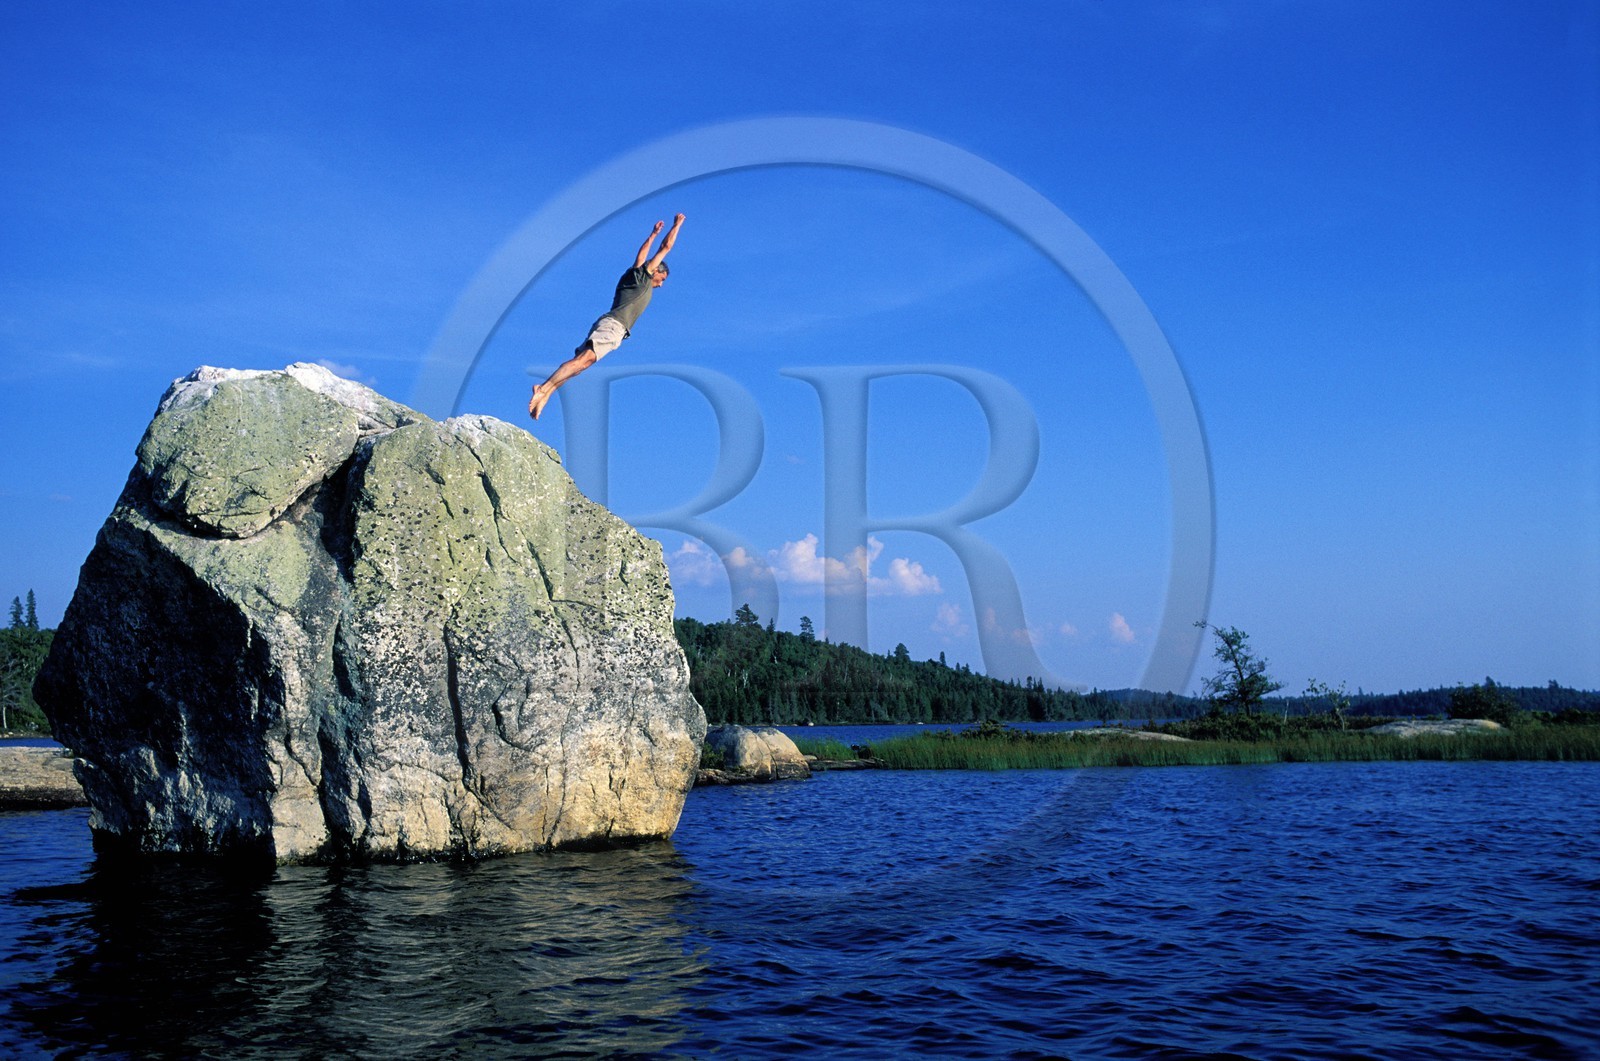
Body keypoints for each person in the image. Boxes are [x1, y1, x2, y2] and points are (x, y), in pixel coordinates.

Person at [528, 213, 686, 420]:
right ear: (655, 270)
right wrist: (677, 225)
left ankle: (546, 393)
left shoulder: (635, 275)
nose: (661, 284)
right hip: (613, 326)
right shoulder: (642, 278)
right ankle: (544, 388)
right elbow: (665, 248)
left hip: (611, 326)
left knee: (580, 365)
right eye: (661, 278)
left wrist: (652, 234)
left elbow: (641, 255)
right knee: (583, 361)